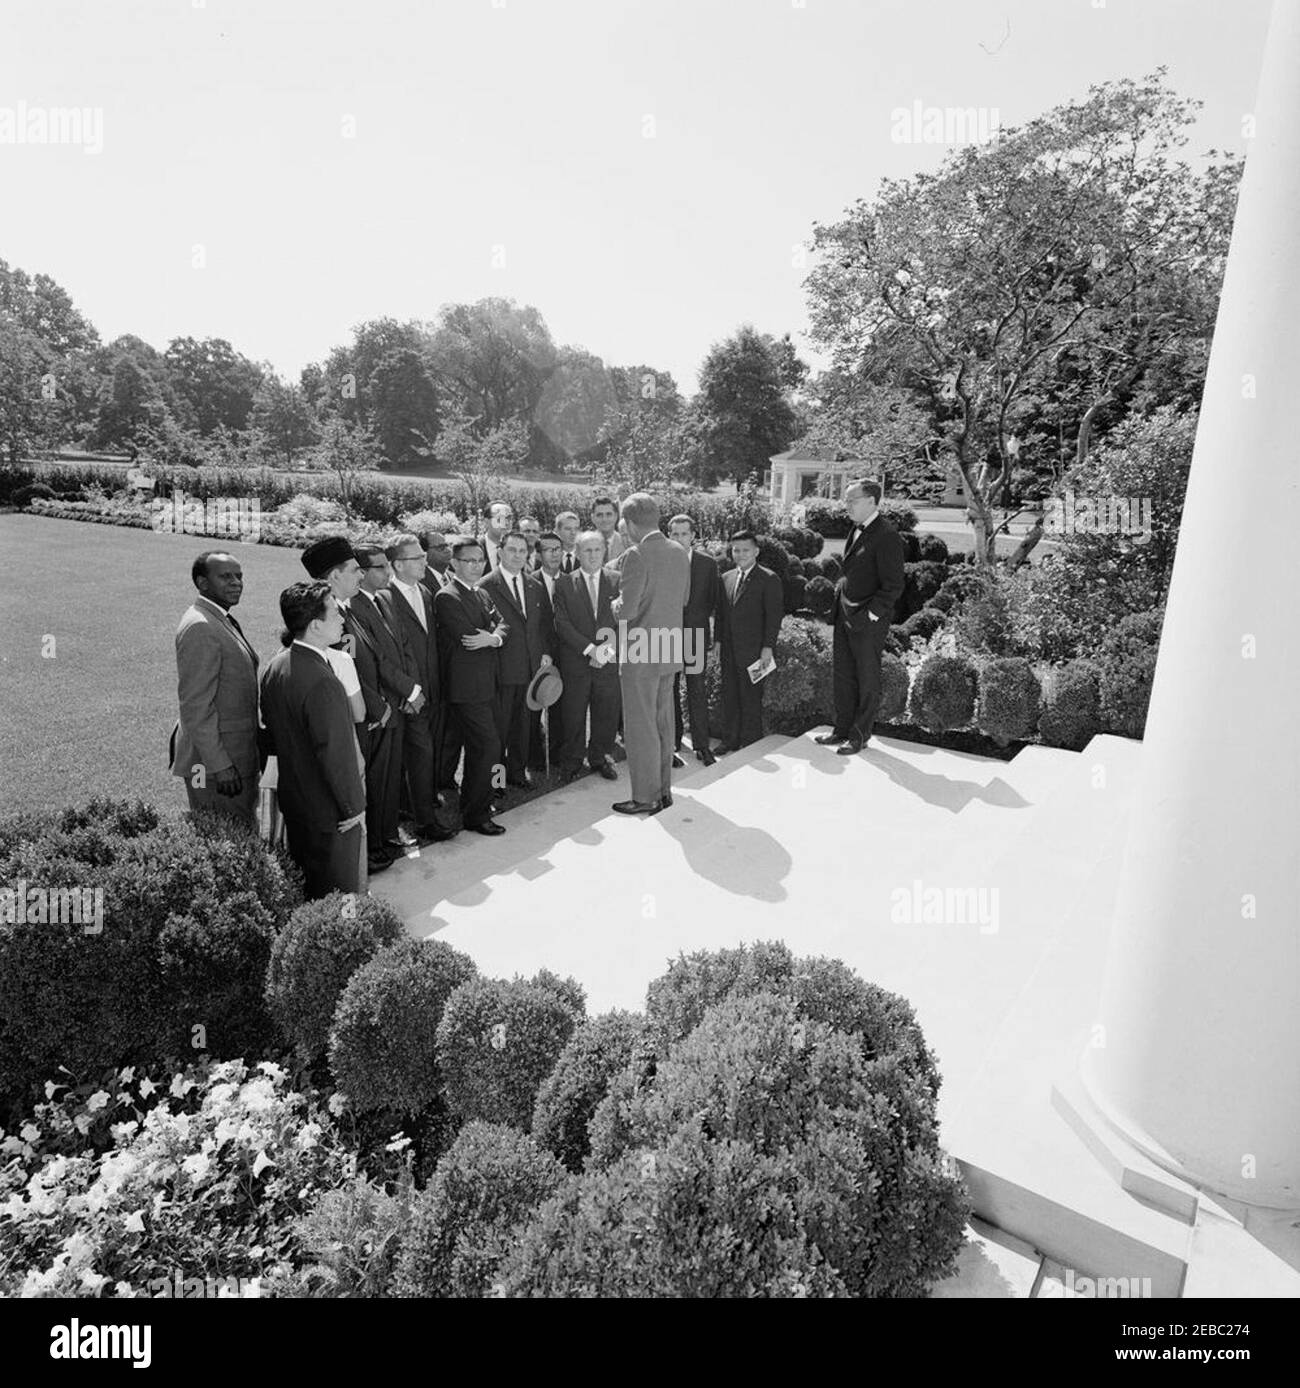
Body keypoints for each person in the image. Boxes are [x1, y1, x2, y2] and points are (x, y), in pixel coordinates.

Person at [259, 582, 366, 899]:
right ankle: (344, 930)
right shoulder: (323, 682)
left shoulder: (276, 666)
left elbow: (271, 736)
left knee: (310, 887)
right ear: (316, 625)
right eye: (335, 613)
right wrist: (353, 808)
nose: (342, 619)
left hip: (296, 803)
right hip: (332, 812)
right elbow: (335, 753)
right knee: (343, 893)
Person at [301, 536, 386, 878]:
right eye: (353, 569)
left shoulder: (346, 609)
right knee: (350, 791)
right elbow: (347, 670)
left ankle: (367, 849)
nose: (361, 575)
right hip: (349, 718)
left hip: (362, 713)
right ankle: (355, 861)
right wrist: (376, 708)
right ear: (334, 576)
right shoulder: (327, 617)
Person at [610, 494, 689, 814]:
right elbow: (684, 598)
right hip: (668, 647)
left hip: (640, 653)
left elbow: (626, 611)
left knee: (641, 728)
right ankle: (664, 791)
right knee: (663, 722)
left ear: (629, 523)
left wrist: (614, 603)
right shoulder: (679, 551)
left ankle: (645, 797)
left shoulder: (636, 554)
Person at [170, 551, 262, 825]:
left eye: (239, 576)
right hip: (213, 767)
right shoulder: (201, 626)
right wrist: (220, 765)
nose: (236, 582)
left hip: (233, 756)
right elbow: (195, 706)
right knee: (228, 835)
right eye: (225, 577)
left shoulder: (219, 618)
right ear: (203, 583)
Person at [816, 479, 905, 754]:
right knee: (843, 675)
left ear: (871, 501)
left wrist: (871, 616)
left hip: (867, 620)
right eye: (846, 500)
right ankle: (841, 730)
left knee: (867, 679)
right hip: (844, 614)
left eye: (852, 500)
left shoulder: (887, 535)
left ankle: (859, 736)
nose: (847, 505)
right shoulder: (855, 529)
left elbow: (893, 585)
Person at [378, 534, 455, 845]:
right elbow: (385, 654)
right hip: (409, 696)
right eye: (417, 558)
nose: (425, 561)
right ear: (397, 565)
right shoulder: (385, 598)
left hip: (433, 690)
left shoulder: (424, 591)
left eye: (424, 555)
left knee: (425, 752)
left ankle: (414, 803)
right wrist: (409, 692)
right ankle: (425, 821)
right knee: (421, 754)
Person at [434, 537, 510, 835]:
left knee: (491, 745)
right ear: (454, 563)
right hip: (466, 689)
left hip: (489, 683)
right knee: (486, 746)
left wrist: (493, 637)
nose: (477, 566)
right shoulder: (447, 597)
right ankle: (475, 815)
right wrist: (491, 635)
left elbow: (503, 624)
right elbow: (467, 637)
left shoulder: (482, 593)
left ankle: (482, 799)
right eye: (469, 561)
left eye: (480, 560)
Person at [350, 543, 411, 870]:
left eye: (388, 565)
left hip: (396, 701)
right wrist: (396, 695)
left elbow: (401, 646)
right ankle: (373, 842)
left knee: (390, 774)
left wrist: (409, 691)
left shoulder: (385, 598)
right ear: (361, 573)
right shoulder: (353, 607)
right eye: (380, 567)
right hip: (379, 706)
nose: (388, 572)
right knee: (375, 777)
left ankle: (388, 833)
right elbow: (372, 661)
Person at [480, 530, 556, 787]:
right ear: (500, 552)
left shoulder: (535, 585)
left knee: (523, 729)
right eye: (512, 550)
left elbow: (544, 625)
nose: (517, 555)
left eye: (522, 551)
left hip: (530, 671)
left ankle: (517, 773)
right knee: (498, 732)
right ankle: (496, 782)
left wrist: (545, 652)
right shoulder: (486, 585)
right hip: (500, 672)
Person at [551, 531, 621, 783]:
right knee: (574, 714)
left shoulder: (617, 580)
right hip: (577, 662)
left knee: (606, 713)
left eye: (597, 550)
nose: (592, 555)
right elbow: (562, 623)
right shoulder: (564, 583)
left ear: (604, 552)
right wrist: (591, 650)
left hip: (607, 662)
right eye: (587, 550)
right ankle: (572, 761)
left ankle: (600, 758)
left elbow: (626, 621)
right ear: (578, 553)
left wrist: (605, 651)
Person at [716, 530, 783, 752]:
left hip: (755, 652)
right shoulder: (726, 578)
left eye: (746, 550)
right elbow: (721, 615)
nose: (741, 554)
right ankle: (730, 740)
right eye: (736, 550)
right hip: (729, 650)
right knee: (729, 696)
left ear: (756, 551)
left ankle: (751, 743)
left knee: (751, 698)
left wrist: (768, 648)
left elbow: (773, 617)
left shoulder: (769, 579)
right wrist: (718, 642)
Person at [667, 513, 719, 767]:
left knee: (696, 689)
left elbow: (713, 602)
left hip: (695, 637)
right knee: (669, 690)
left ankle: (701, 745)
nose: (679, 538)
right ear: (669, 536)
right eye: (675, 534)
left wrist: (712, 635)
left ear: (693, 536)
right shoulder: (662, 562)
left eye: (684, 534)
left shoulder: (707, 564)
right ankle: (673, 743)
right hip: (668, 637)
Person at [528, 531, 566, 771]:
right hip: (539, 655)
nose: (554, 554)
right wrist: (543, 651)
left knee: (562, 706)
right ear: (539, 555)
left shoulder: (571, 581)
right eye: (548, 550)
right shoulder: (529, 583)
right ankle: (535, 758)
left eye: (558, 549)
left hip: (567, 653)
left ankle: (558, 754)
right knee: (533, 707)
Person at [480, 501, 515, 573]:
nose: (506, 522)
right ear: (486, 522)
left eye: (509, 518)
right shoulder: (474, 548)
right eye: (500, 518)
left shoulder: (519, 549)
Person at [591, 495, 626, 565]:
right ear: (593, 518)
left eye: (608, 514)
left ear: (616, 516)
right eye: (599, 515)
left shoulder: (625, 544)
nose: (604, 519)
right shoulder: (583, 544)